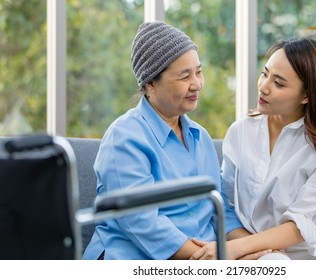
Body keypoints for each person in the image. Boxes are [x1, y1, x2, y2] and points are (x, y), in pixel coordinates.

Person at [82, 21, 254, 260]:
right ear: (150, 84)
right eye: (185, 76)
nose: (197, 84)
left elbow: (219, 210)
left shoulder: (200, 137)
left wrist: (254, 247)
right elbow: (142, 222)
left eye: (198, 71)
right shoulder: (124, 137)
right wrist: (213, 261)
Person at [191, 37, 316, 260]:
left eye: (279, 83)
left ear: (307, 95)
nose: (263, 87)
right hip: (256, 257)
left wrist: (240, 249)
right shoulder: (241, 131)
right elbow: (226, 203)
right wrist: (251, 249)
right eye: (265, 74)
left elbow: (301, 225)